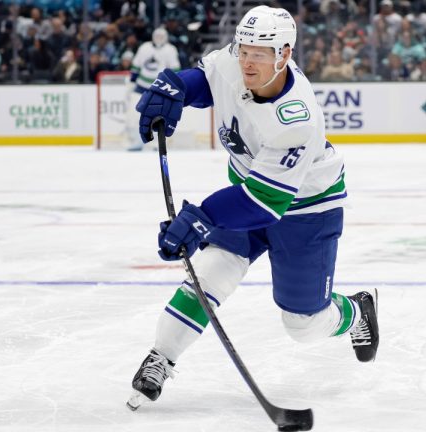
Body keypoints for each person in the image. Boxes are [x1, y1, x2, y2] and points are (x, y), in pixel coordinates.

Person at [126, 6, 380, 411]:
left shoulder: (296, 118)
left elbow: (264, 201)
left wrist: (201, 220)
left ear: (284, 54)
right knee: (209, 275)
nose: (247, 60)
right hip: (248, 192)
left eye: (259, 53)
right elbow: (205, 81)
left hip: (306, 209)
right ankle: (163, 354)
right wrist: (174, 88)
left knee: (303, 325)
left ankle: (356, 311)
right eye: (244, 49)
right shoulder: (234, 61)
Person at [126, 27, 180, 150]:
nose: (159, 39)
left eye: (162, 36)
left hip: (159, 88)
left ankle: (157, 142)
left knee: (158, 116)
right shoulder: (144, 47)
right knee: (133, 115)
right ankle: (137, 141)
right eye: (157, 36)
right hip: (141, 87)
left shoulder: (170, 50)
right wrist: (131, 82)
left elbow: (175, 70)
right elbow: (136, 66)